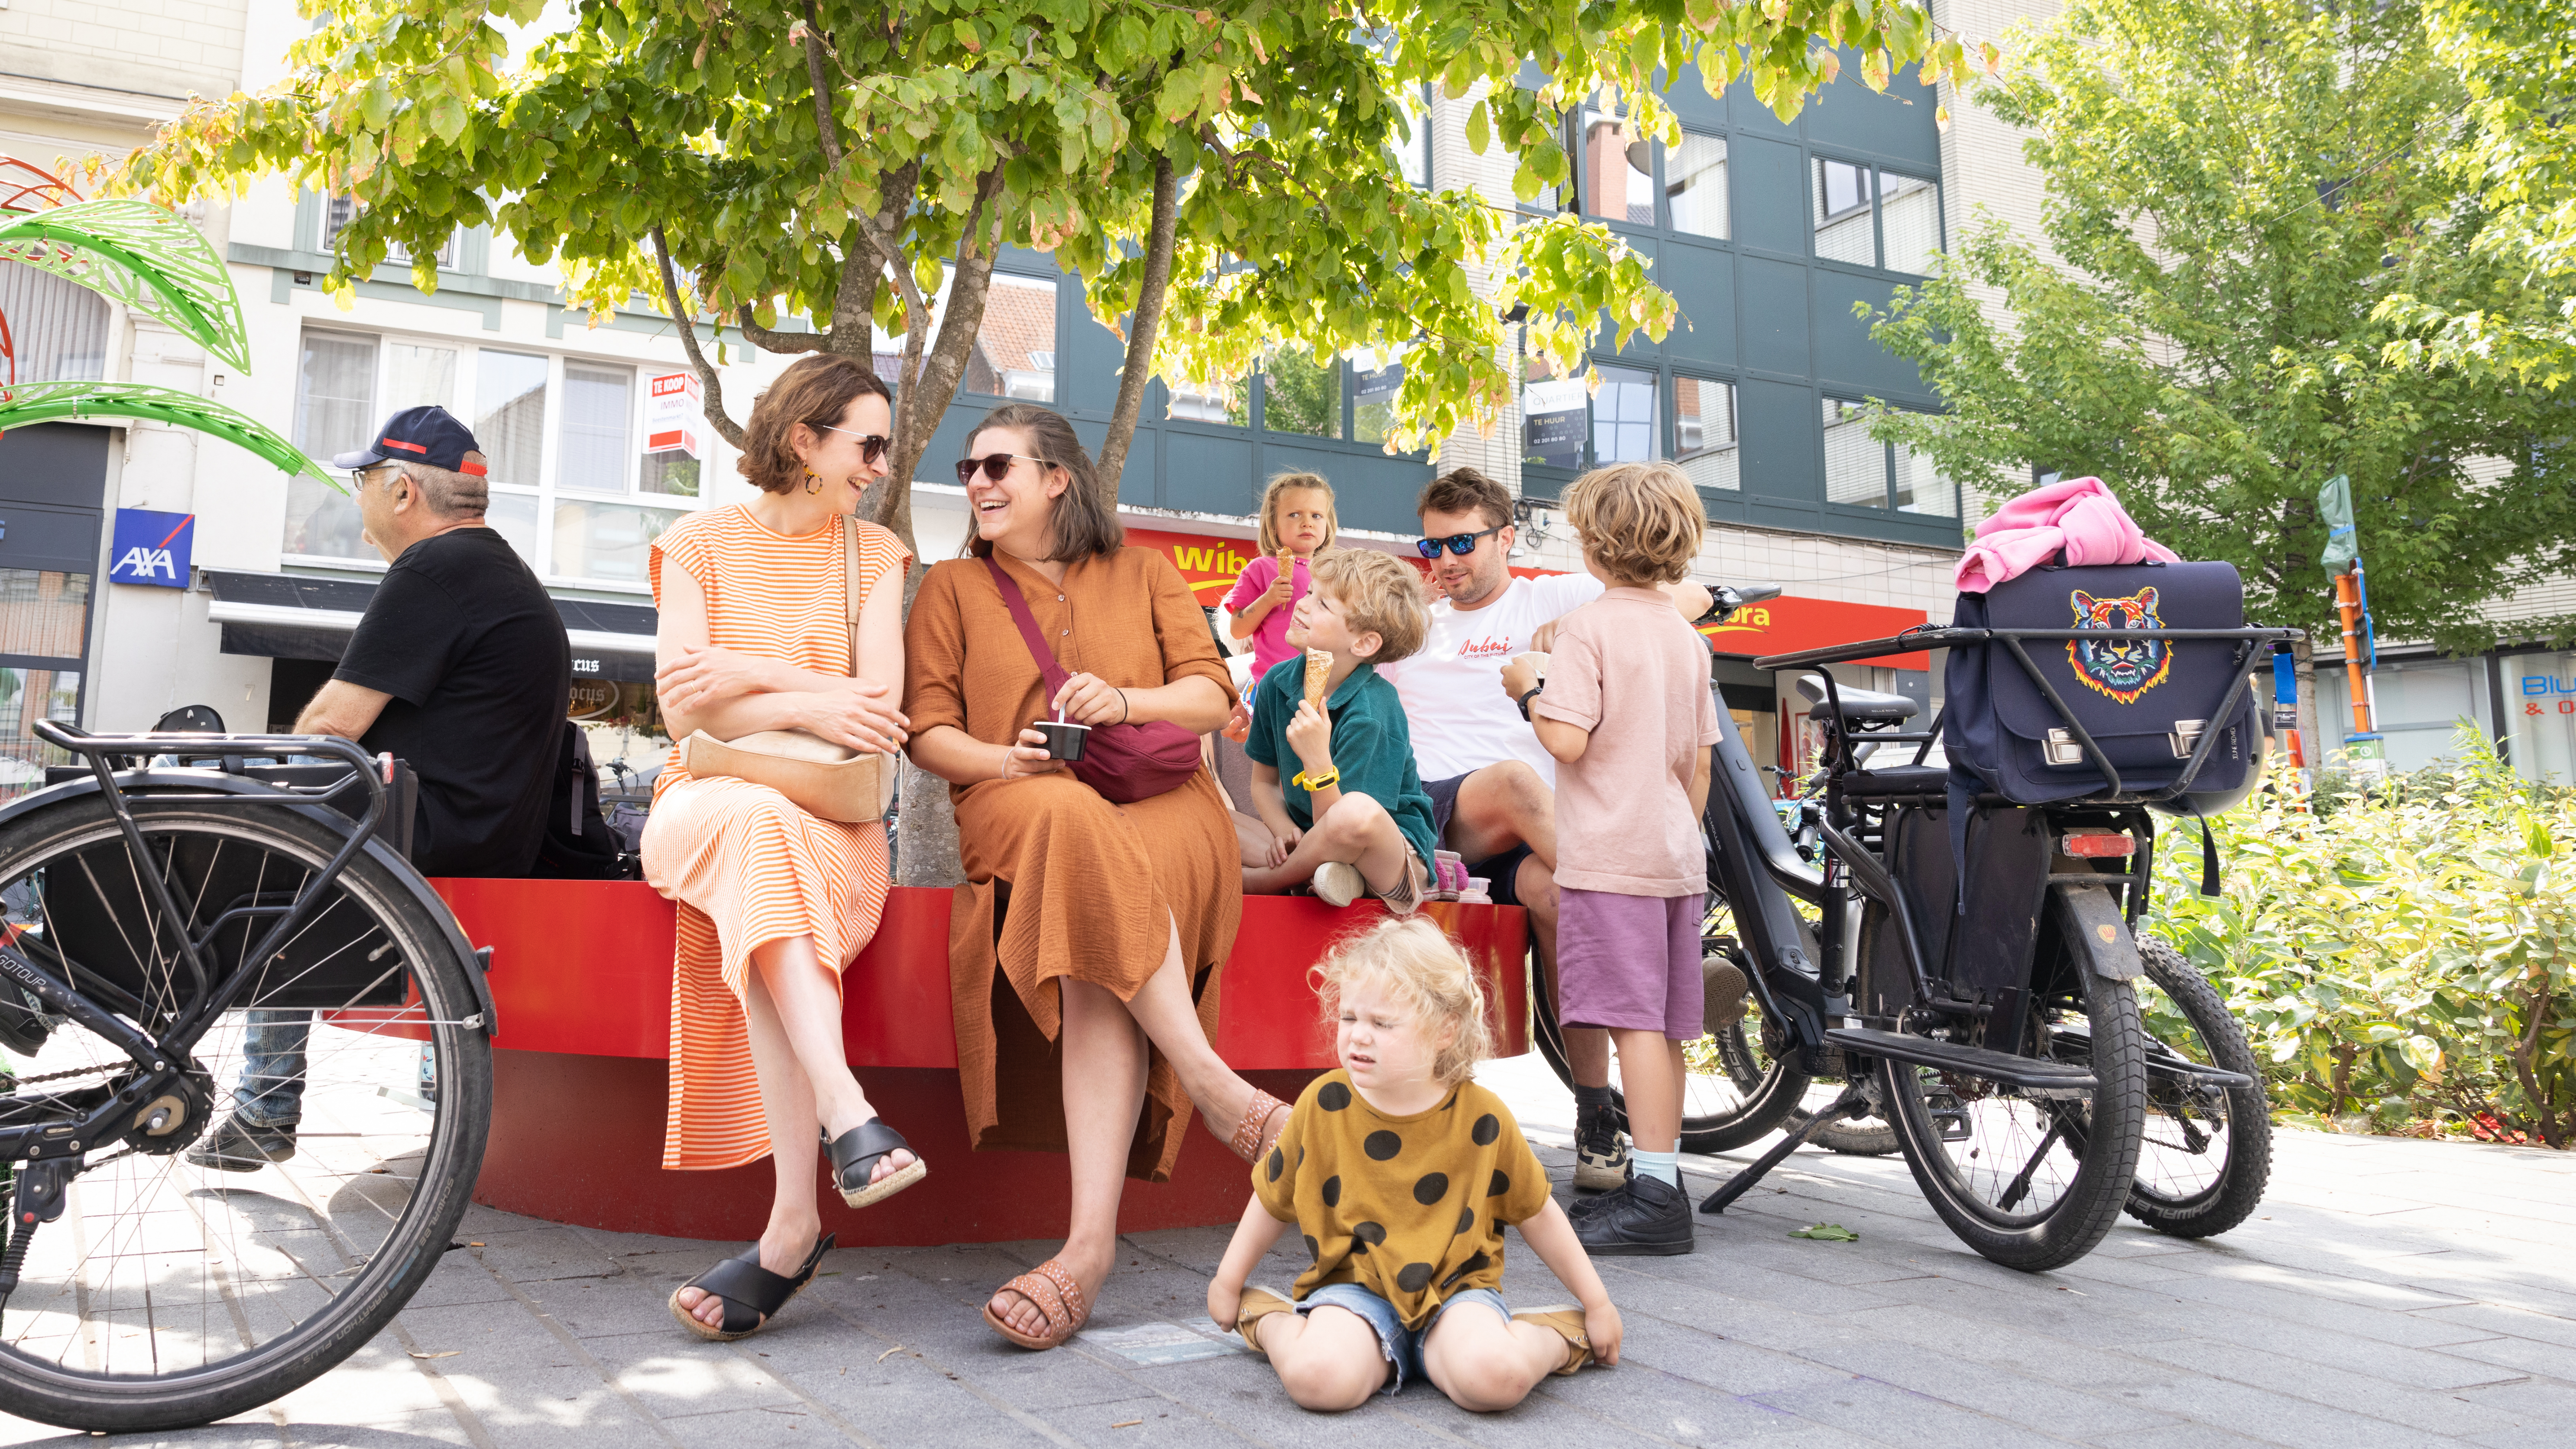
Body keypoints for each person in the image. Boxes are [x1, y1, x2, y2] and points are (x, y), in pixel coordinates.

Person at [903, 402, 1294, 1351]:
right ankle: (1213, 1086)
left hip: (1166, 801)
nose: (978, 484)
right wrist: (1006, 762)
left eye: (998, 465)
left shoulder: (1146, 570)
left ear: (1056, 478)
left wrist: (1122, 700)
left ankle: (1087, 1249)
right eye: (969, 470)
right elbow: (928, 733)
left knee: (1096, 931)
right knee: (1072, 830)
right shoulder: (951, 585)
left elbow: (1211, 695)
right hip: (1018, 796)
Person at [190, 404, 569, 1173]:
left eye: (361, 479)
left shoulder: (436, 569)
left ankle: (261, 1104)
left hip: (423, 833)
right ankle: (301, 1104)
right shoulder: (506, 575)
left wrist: (249, 783)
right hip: (489, 836)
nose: (355, 495)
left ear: (402, 493)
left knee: (264, 847)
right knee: (291, 842)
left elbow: (332, 725)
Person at [643, 354, 923, 1340]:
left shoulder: (875, 553)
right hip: (704, 800)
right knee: (758, 829)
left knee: (774, 852)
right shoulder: (695, 542)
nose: (880, 465)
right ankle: (846, 1112)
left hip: (834, 823)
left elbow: (876, 716)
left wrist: (744, 675)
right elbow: (683, 705)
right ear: (805, 440)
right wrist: (805, 686)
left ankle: (796, 1222)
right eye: (868, 443)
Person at [1371, 468, 1710, 1193]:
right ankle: (1653, 921)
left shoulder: (1552, 597)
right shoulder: (1417, 620)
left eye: (1462, 541)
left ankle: (1595, 1119)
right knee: (1520, 784)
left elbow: (1686, 596)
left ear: (1504, 537)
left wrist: (1587, 625)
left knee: (1562, 895)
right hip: (1439, 814)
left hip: (1546, 832)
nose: (1445, 559)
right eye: (1430, 546)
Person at [1207, 918, 1621, 1411]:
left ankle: (1556, 1336)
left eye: (1382, 1024)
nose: (1359, 1036)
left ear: (1445, 1030)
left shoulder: (1482, 1117)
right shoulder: (1323, 1105)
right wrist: (1228, 1281)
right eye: (1349, 1018)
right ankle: (1270, 1318)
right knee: (1317, 1381)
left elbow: (1537, 1212)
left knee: (1495, 1382)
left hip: (1456, 1294)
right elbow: (1273, 1198)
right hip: (1354, 1289)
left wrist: (1596, 1303)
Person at [1515, 463, 1721, 1255]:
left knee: (1630, 1019)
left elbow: (1566, 738)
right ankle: (1658, 1183)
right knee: (1660, 1026)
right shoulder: (1684, 636)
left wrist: (1526, 688)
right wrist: (1674, 836)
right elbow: (1696, 766)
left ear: (1595, 548)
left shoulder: (1587, 630)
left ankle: (1658, 1203)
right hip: (1672, 853)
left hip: (1610, 856)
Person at [1240, 549, 1437, 912]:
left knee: (1354, 812)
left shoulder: (1374, 710)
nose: (1302, 605)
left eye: (1323, 604)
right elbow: (1263, 784)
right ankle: (1322, 878)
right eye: (1309, 592)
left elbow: (1342, 829)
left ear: (1363, 643)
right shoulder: (1275, 684)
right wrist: (1284, 830)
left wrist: (1317, 761)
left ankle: (1266, 881)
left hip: (1387, 857)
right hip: (1308, 840)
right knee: (1212, 816)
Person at [1222, 472, 1338, 700]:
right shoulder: (1261, 568)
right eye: (1294, 515)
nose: (1307, 522)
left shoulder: (1334, 573)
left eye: (1317, 516)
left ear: (1328, 524)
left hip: (1325, 685)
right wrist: (1269, 599)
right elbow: (1238, 629)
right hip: (1274, 685)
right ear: (1273, 525)